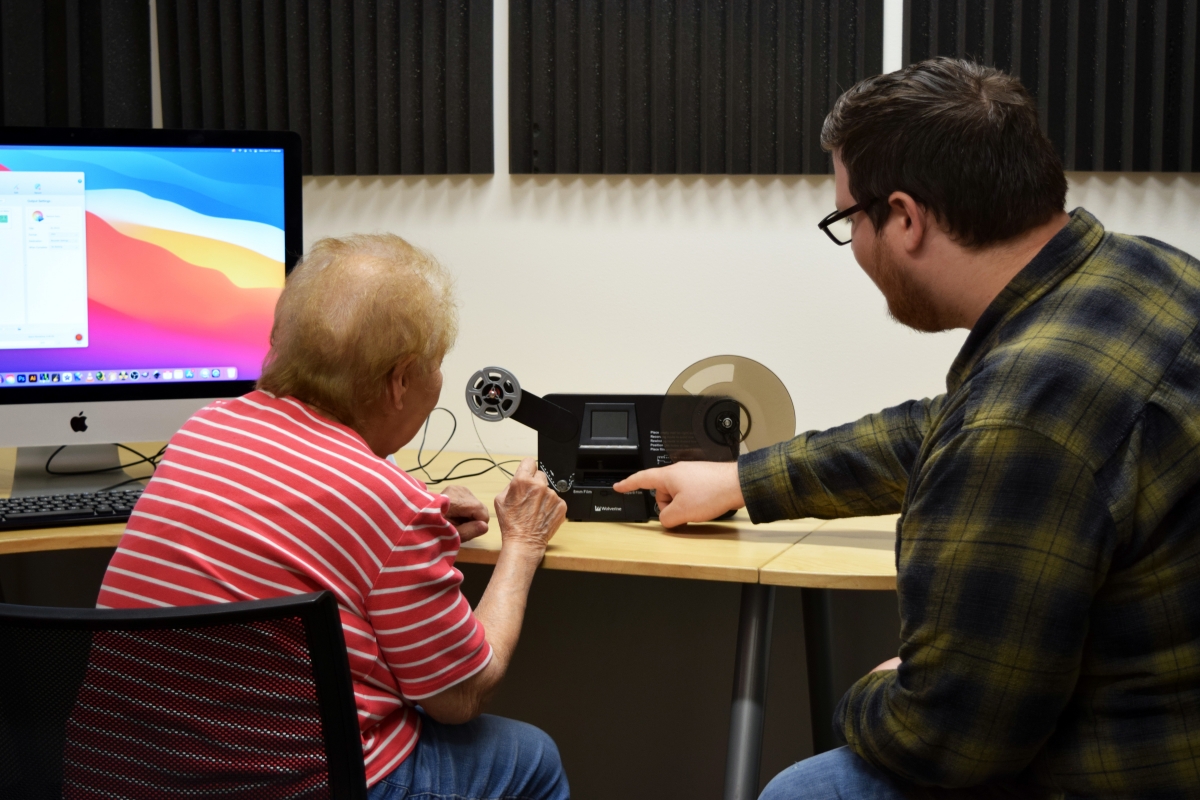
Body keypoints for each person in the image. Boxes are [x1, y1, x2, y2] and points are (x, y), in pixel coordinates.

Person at [616, 58, 1200, 798]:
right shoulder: (1142, 273)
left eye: (847, 220)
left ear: (906, 218)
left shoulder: (1020, 419)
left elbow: (945, 745)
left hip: (1121, 764)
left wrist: (879, 687)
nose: (854, 243)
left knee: (802, 791)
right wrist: (740, 479)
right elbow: (942, 427)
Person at [94, 234, 570, 800]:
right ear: (399, 381)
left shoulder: (202, 431)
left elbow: (304, 502)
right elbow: (459, 697)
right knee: (533, 757)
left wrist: (408, 514)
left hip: (123, 780)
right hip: (301, 788)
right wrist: (522, 542)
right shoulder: (390, 506)